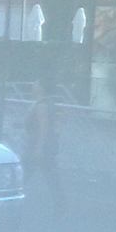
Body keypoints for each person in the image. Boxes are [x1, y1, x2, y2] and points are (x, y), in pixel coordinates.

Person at [24, 82, 65, 217]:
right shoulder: (49, 103)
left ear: (41, 88)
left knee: (24, 174)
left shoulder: (41, 105)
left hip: (37, 146)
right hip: (46, 146)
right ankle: (60, 205)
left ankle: (11, 201)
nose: (33, 86)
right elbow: (56, 124)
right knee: (51, 177)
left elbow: (43, 127)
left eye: (36, 84)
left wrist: (39, 148)